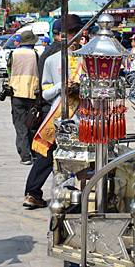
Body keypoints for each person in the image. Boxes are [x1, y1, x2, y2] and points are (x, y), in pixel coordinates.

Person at [24, 15, 84, 209]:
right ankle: (36, 193)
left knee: (82, 158)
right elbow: (46, 92)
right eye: (70, 33)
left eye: (77, 32)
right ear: (60, 35)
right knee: (49, 154)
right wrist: (61, 86)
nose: (74, 37)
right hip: (57, 115)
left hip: (83, 115)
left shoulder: (87, 58)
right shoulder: (51, 59)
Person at [8, 30, 40, 165]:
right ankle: (34, 152)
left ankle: (25, 156)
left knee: (20, 125)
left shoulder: (13, 54)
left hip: (16, 92)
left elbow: (9, 69)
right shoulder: (35, 54)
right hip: (33, 92)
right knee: (32, 124)